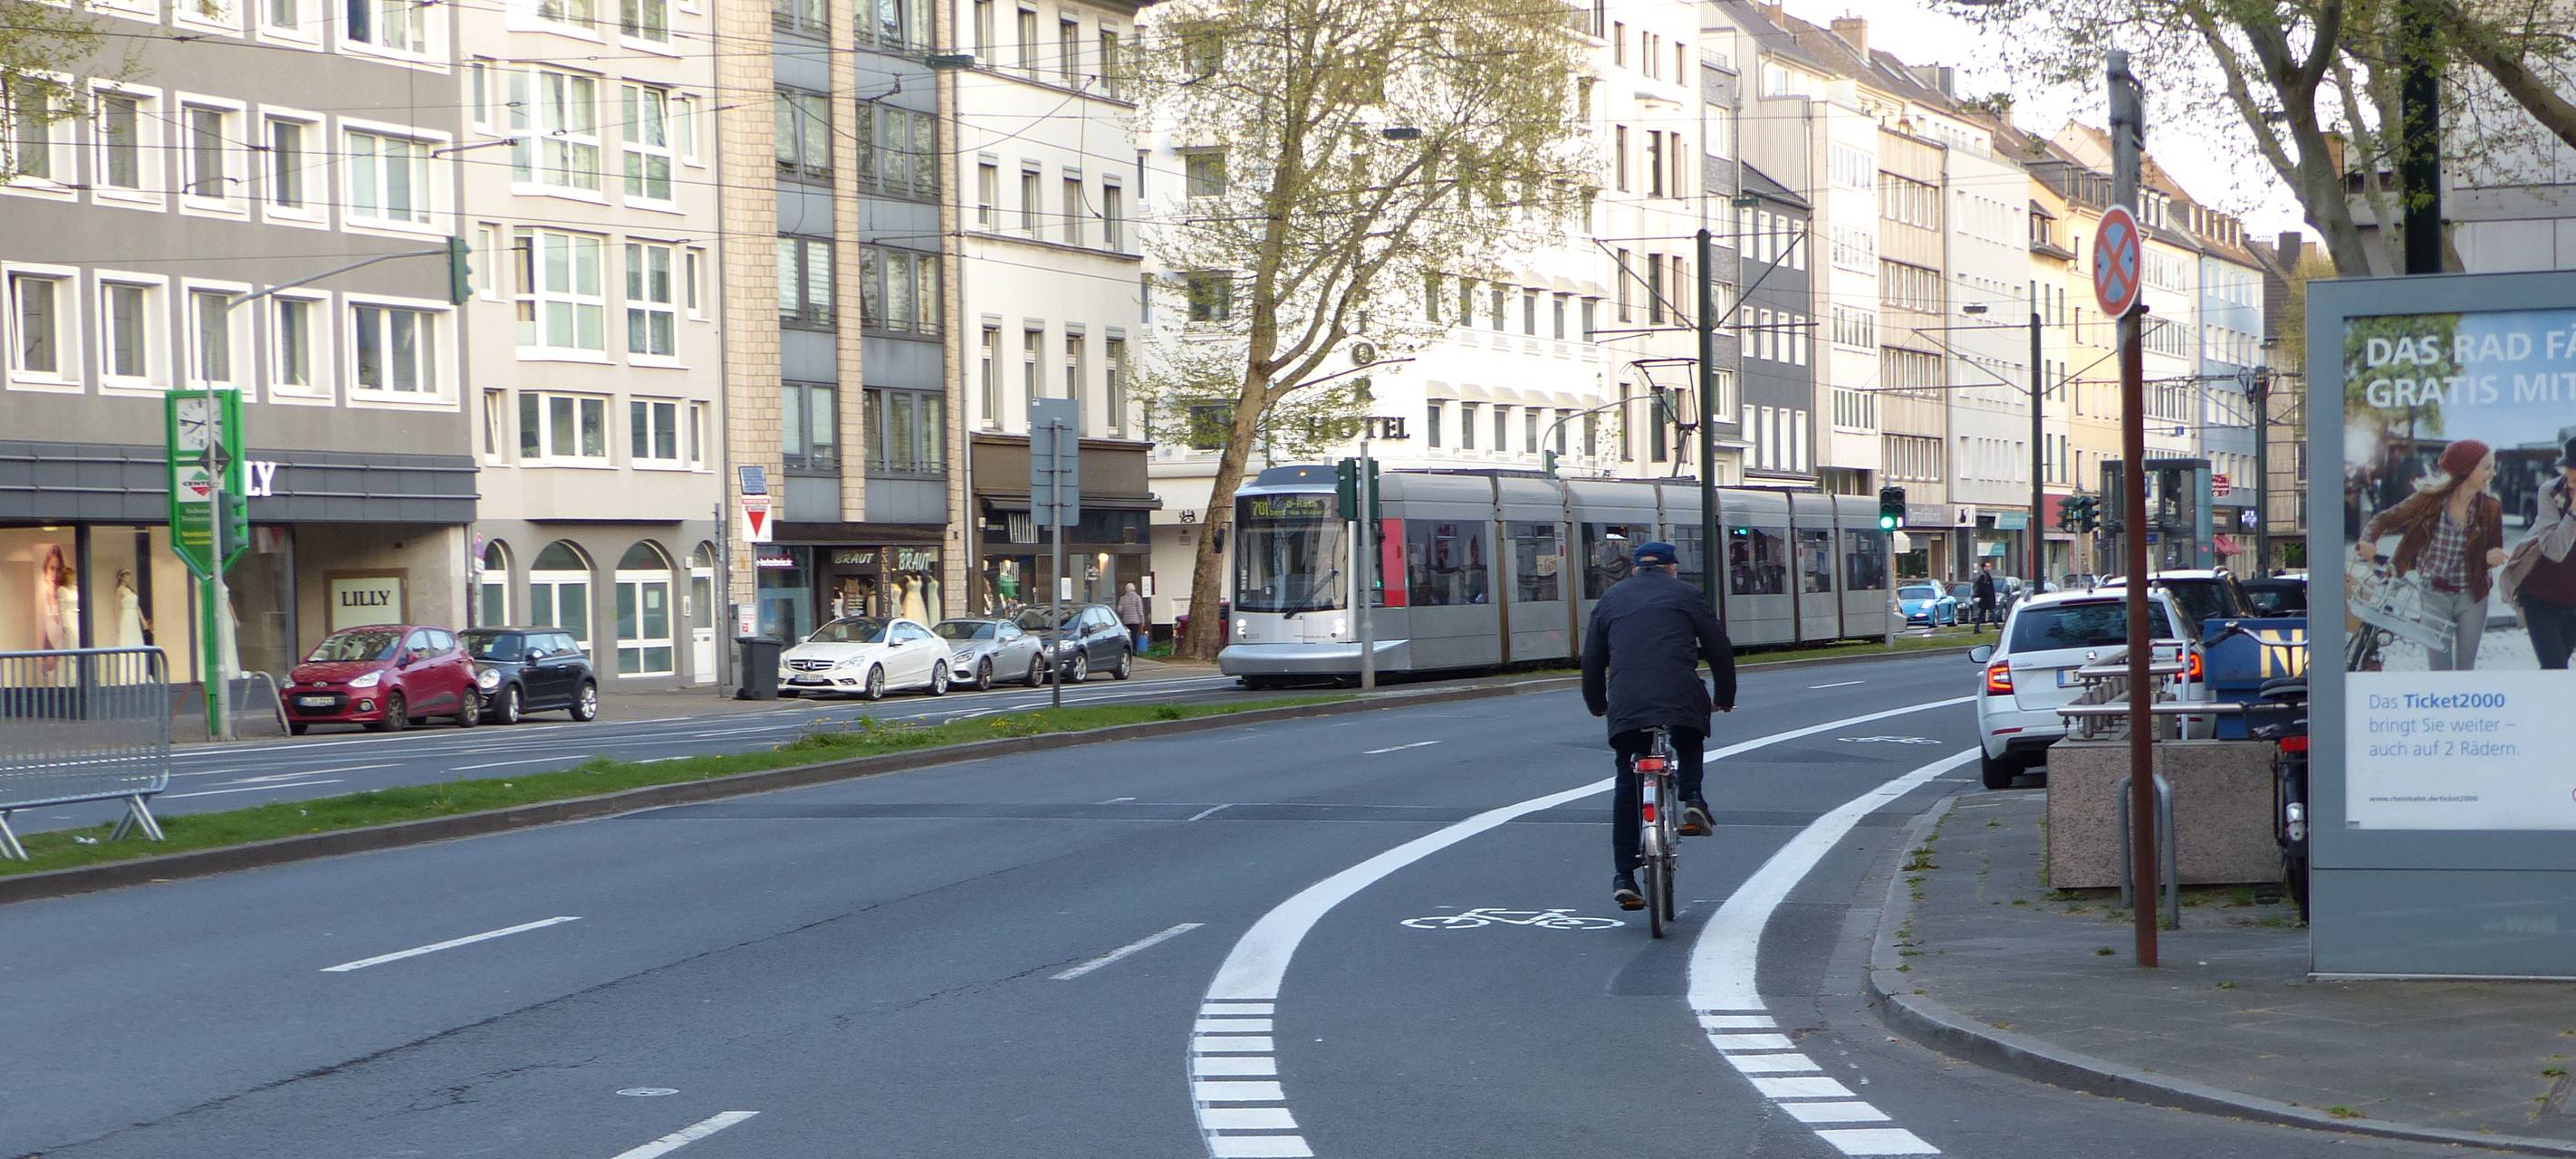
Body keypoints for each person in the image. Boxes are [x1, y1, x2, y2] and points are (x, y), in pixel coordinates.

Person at [1581, 541, 1737, 912]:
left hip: (1627, 700)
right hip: (1679, 693)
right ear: (1672, 568)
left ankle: (1624, 877)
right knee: (1688, 732)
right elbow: (1719, 648)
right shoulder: (1687, 595)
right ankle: (1693, 798)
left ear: (1635, 569)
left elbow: (1592, 658)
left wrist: (1597, 703)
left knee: (1626, 782)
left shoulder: (1611, 599)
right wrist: (1725, 696)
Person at [2356, 438, 2504, 671]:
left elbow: (2494, 548)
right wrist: (2367, 541)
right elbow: (2385, 519)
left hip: (2473, 596)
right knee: (2439, 669)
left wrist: (2491, 557)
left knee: (2466, 668)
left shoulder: (2491, 507)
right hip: (2434, 594)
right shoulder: (2428, 500)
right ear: (2466, 469)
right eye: (2487, 467)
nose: (2493, 473)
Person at [2511, 436, 2576, 669]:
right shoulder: (2550, 491)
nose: (2572, 478)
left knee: (2558, 665)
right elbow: (2555, 550)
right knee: (2554, 667)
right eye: (2570, 469)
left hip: (2573, 602)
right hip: (2540, 596)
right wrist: (2574, 511)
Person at [1117, 582, 1149, 653]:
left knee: (1127, 636)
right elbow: (1140, 611)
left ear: (1126, 589)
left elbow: (1119, 610)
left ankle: (1127, 650)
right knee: (1134, 635)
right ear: (1134, 589)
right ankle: (1134, 650)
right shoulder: (1137, 597)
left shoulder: (1122, 598)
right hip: (1135, 621)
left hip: (1125, 621)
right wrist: (1142, 621)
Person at [1971, 563, 1998, 632]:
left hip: (1988, 598)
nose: (1989, 568)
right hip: (1986, 598)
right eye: (1987, 566)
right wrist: (1985, 594)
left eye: (1989, 566)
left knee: (1982, 613)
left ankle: (1976, 628)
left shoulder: (1988, 576)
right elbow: (1981, 587)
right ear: (1984, 568)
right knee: (1992, 611)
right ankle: (1996, 625)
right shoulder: (1983, 576)